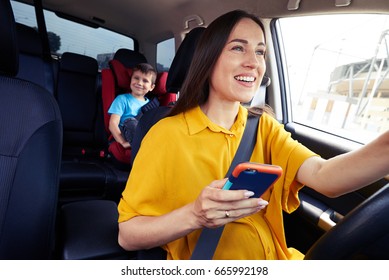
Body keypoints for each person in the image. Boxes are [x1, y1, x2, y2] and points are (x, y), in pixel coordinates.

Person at [117, 10, 389, 260]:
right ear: (208, 58)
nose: (254, 63)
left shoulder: (263, 127)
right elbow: (128, 235)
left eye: (260, 52)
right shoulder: (166, 134)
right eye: (238, 48)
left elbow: (325, 176)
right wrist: (195, 215)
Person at [108, 63, 157, 149]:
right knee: (131, 122)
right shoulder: (122, 99)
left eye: (145, 81)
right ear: (131, 80)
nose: (139, 83)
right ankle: (140, 143)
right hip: (126, 132)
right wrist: (122, 142)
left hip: (144, 133)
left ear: (151, 87)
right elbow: (113, 123)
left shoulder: (152, 104)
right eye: (136, 78)